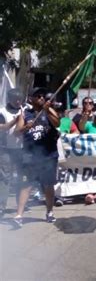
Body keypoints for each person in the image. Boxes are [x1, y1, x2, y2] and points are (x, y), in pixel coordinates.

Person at [14, 87, 60, 227]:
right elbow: (16, 132)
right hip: (30, 155)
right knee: (26, 184)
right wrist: (25, 127)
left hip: (48, 154)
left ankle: (49, 212)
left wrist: (47, 110)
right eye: (37, 96)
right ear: (31, 99)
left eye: (42, 96)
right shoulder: (25, 114)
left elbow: (57, 123)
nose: (41, 98)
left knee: (48, 184)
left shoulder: (49, 110)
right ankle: (19, 214)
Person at [0, 89, 24, 218]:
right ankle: (1, 206)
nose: (18, 102)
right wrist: (14, 122)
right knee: (5, 177)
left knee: (22, 177)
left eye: (20, 99)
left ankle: (20, 205)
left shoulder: (24, 110)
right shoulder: (2, 112)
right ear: (10, 99)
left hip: (21, 148)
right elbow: (2, 127)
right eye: (16, 99)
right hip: (6, 148)